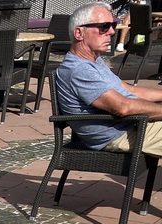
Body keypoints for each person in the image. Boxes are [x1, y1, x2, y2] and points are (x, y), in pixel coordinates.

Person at [55, 2, 162, 156]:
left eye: (113, 25)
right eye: (104, 26)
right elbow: (123, 107)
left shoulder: (94, 60)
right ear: (79, 33)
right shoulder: (79, 69)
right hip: (121, 134)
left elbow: (128, 89)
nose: (112, 31)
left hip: (133, 125)